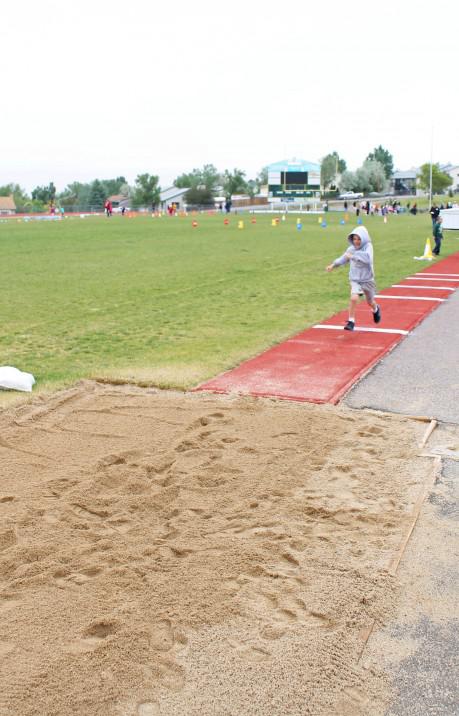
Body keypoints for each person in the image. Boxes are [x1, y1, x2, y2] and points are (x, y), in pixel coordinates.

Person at [326, 225, 381, 331]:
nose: (356, 241)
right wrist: (332, 265)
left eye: (359, 239)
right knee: (354, 298)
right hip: (355, 279)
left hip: (367, 279)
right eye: (354, 239)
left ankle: (375, 309)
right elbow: (343, 258)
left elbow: (368, 259)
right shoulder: (351, 249)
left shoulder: (368, 246)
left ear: (364, 238)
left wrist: (353, 256)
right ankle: (351, 321)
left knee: (370, 301)